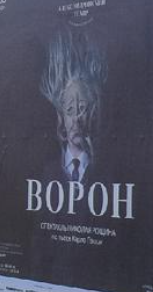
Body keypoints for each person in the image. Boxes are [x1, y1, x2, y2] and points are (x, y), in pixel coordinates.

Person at [40, 30, 106, 187]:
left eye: (82, 108)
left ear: (93, 113)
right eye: (70, 110)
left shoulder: (104, 172)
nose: (76, 119)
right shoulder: (49, 174)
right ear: (61, 117)